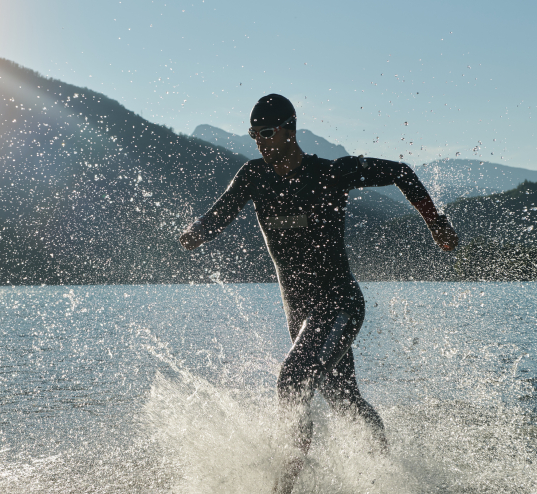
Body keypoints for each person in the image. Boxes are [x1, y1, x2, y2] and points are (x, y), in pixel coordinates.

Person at [178, 94, 458, 493]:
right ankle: (391, 472)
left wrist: (435, 223)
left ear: (290, 130)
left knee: (292, 379)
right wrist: (197, 232)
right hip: (300, 317)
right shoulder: (253, 176)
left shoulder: (331, 173)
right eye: (254, 134)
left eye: (268, 133)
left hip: (340, 305)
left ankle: (284, 488)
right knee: (344, 401)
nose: (260, 141)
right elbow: (221, 211)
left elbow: (401, 172)